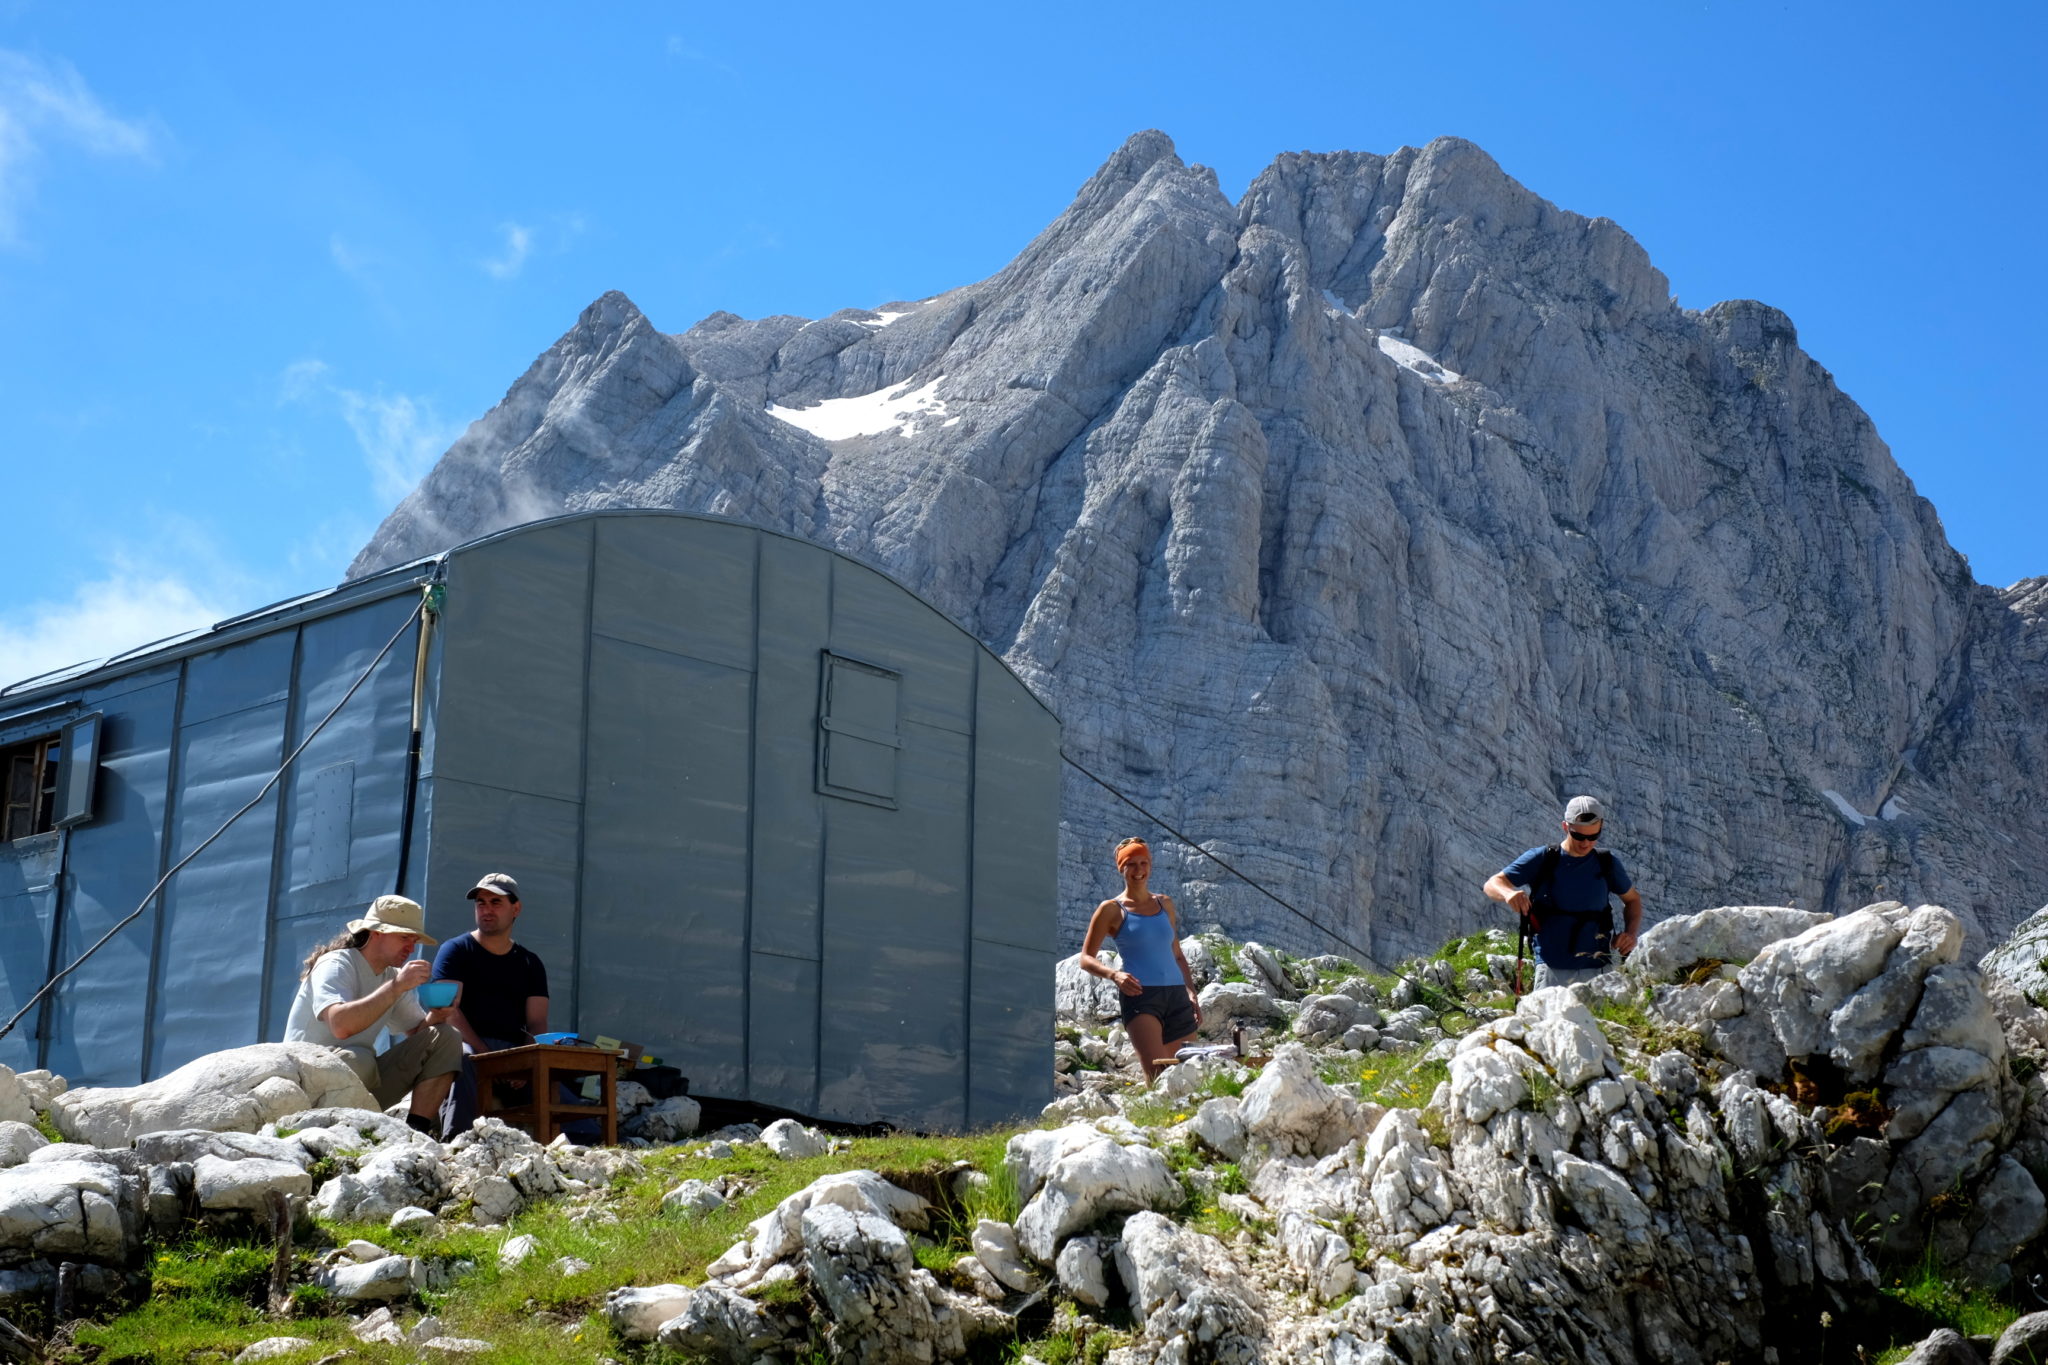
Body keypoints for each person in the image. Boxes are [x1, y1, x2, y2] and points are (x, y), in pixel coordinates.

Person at [283, 894, 462, 1134]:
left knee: (446, 1037)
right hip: (308, 1084)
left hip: (358, 1081)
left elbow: (421, 1037)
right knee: (361, 1060)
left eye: (414, 940)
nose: (411, 947)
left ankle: (415, 1133)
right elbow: (340, 1025)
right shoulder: (337, 964)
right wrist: (397, 986)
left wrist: (438, 1015)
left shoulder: (391, 976)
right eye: (404, 938)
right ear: (376, 932)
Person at [1483, 795, 1644, 990]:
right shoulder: (1543, 858)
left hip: (1599, 970)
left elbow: (1633, 900)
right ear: (1565, 827)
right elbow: (1493, 883)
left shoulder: (1607, 863)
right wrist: (1508, 893)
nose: (1586, 843)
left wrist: (1631, 934)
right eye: (1579, 836)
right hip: (1552, 969)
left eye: (1593, 836)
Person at [431, 872, 550, 1135]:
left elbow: (537, 1022)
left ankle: (586, 1145)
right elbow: (449, 1012)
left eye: (496, 902)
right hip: (467, 1044)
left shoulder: (530, 963)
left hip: (512, 1051)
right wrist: (485, 1054)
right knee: (462, 1058)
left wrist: (526, 1060)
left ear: (515, 908)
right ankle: (455, 1142)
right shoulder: (455, 951)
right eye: (481, 903)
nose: (486, 909)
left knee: (555, 1081)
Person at [1078, 837, 1203, 1082]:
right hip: (1141, 996)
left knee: (1188, 1074)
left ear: (1150, 865)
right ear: (1121, 868)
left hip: (1177, 995)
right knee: (1158, 1076)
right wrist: (1114, 975)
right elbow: (1085, 958)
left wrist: (1191, 992)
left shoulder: (1164, 903)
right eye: (1132, 864)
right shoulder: (1111, 909)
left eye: (1144, 863)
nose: (1139, 870)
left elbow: (1177, 954)